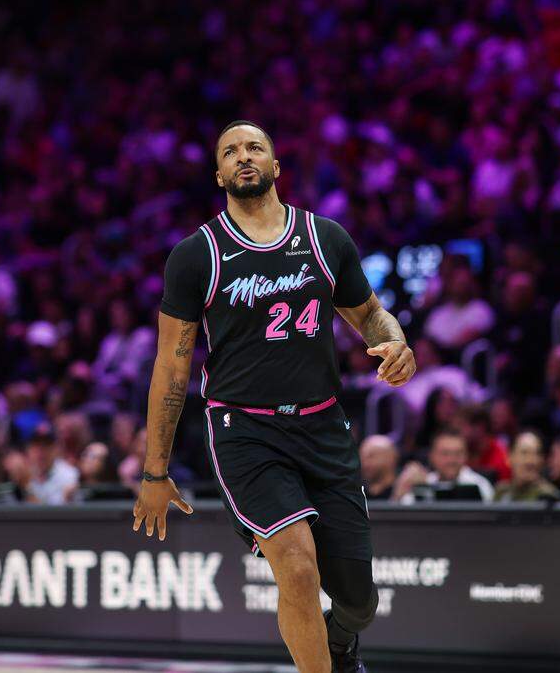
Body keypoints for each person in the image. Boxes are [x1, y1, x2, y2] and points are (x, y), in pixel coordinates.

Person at [135, 121, 415, 672]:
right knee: (297, 566)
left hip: (323, 426)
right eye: (231, 152)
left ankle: (339, 648)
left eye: (255, 148)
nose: (244, 157)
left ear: (276, 165)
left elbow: (369, 315)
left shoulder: (325, 237)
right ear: (218, 174)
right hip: (245, 431)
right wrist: (153, 472)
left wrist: (395, 339)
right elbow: (171, 370)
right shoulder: (196, 255)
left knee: (359, 601)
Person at [397, 430, 495, 503]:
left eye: (458, 454)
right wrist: (403, 488)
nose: (452, 460)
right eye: (445, 454)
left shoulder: (480, 485)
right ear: (432, 456)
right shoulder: (423, 482)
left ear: (466, 456)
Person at [494, 431, 560, 502]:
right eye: (524, 453)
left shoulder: (548, 496)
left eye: (537, 454)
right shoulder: (501, 492)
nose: (531, 461)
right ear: (509, 457)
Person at [359, 435, 399, 501]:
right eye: (362, 457)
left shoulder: (405, 494)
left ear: (391, 458)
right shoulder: (358, 495)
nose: (365, 463)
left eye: (371, 456)